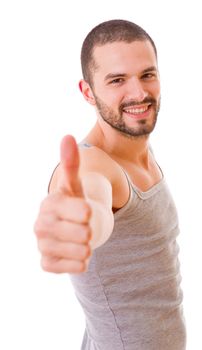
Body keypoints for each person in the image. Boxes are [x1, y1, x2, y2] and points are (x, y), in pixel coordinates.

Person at [34, 19, 186, 350]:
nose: (139, 93)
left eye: (147, 74)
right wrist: (79, 221)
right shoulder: (94, 164)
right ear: (88, 92)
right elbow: (93, 200)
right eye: (117, 80)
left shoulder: (137, 147)